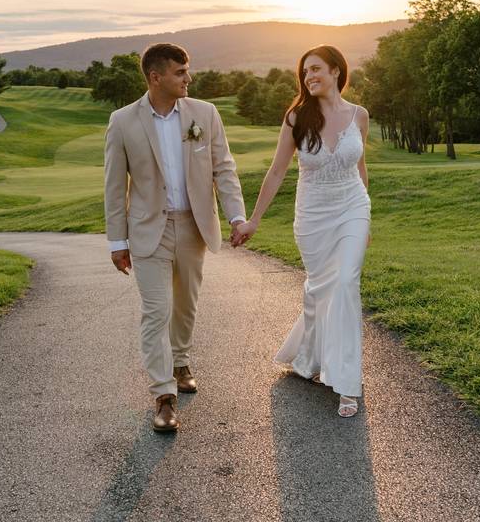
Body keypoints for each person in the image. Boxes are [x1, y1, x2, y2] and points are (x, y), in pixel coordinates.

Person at [104, 43, 247, 433]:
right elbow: (115, 187)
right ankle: (163, 395)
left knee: (185, 304)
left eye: (187, 71)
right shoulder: (122, 121)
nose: (189, 78)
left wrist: (236, 215)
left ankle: (181, 359)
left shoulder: (205, 113)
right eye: (181, 72)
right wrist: (117, 241)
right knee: (156, 310)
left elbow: (224, 168)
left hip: (193, 225)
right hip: (148, 230)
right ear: (156, 77)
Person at [234, 45, 371, 418]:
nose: (309, 77)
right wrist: (254, 219)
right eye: (305, 72)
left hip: (353, 209)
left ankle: (346, 383)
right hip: (313, 217)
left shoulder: (359, 116)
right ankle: (309, 357)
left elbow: (361, 167)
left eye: (316, 70)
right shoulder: (296, 118)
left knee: (344, 284)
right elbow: (277, 170)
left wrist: (365, 219)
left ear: (337, 71)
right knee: (320, 290)